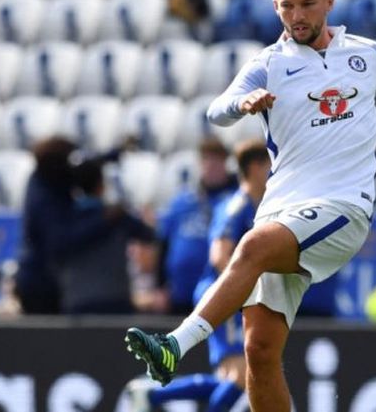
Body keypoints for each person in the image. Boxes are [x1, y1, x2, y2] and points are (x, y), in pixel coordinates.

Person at [124, 0, 376, 412]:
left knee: (251, 247)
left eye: (308, 4)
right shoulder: (268, 64)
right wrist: (241, 104)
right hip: (283, 211)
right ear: (275, 7)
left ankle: (173, 344)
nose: (298, 15)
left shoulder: (366, 55)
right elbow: (217, 109)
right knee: (259, 352)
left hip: (342, 207)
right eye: (287, 6)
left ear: (328, 1)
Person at [126, 140, 270, 412]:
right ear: (254, 168)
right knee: (241, 376)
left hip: (231, 292)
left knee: (231, 377)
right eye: (269, 166)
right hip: (226, 292)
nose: (274, 174)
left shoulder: (253, 206)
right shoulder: (235, 206)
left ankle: (151, 395)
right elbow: (219, 255)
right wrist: (242, 288)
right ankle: (153, 396)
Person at [14, 136, 122, 314]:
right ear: (58, 164)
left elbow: (83, 168)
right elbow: (62, 241)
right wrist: (104, 220)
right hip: (40, 283)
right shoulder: (44, 199)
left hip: (43, 277)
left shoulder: (47, 178)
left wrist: (111, 155)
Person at [57, 158, 156, 314]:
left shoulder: (64, 218)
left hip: (78, 304)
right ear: (100, 185)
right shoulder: (117, 216)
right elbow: (149, 235)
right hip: (115, 302)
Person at [157, 137, 239, 314]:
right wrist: (160, 285)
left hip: (217, 293)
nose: (210, 167)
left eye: (216, 161)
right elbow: (164, 243)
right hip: (179, 294)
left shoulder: (236, 202)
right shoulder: (183, 201)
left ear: (225, 164)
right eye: (206, 160)